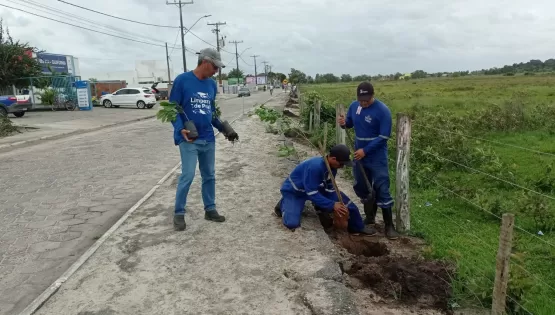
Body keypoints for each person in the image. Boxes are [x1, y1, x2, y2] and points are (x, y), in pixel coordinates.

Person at [169, 48, 239, 231]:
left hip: (208, 138)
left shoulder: (211, 85)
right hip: (189, 139)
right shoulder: (182, 80)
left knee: (209, 175)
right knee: (188, 175)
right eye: (215, 67)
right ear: (206, 62)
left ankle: (210, 209)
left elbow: (211, 112)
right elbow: (173, 110)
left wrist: (224, 129)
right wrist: (180, 128)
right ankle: (179, 213)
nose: (217, 71)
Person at [338, 81, 399, 240]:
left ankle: (389, 225)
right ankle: (370, 217)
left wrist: (366, 150)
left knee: (381, 187)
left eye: (366, 100)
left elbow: (384, 136)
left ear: (373, 95)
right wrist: (345, 123)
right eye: (361, 100)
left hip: (376, 156)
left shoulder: (383, 111)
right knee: (362, 185)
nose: (363, 103)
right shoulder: (354, 106)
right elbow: (350, 123)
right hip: (359, 155)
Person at [274, 144, 377, 235]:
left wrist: (338, 201)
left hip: (316, 188)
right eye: (341, 163)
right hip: (297, 192)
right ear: (333, 159)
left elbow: (329, 187)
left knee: (348, 204)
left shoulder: (332, 167)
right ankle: (283, 203)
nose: (342, 166)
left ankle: (357, 227)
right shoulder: (315, 167)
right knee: (292, 223)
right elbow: (311, 193)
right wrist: (332, 204)